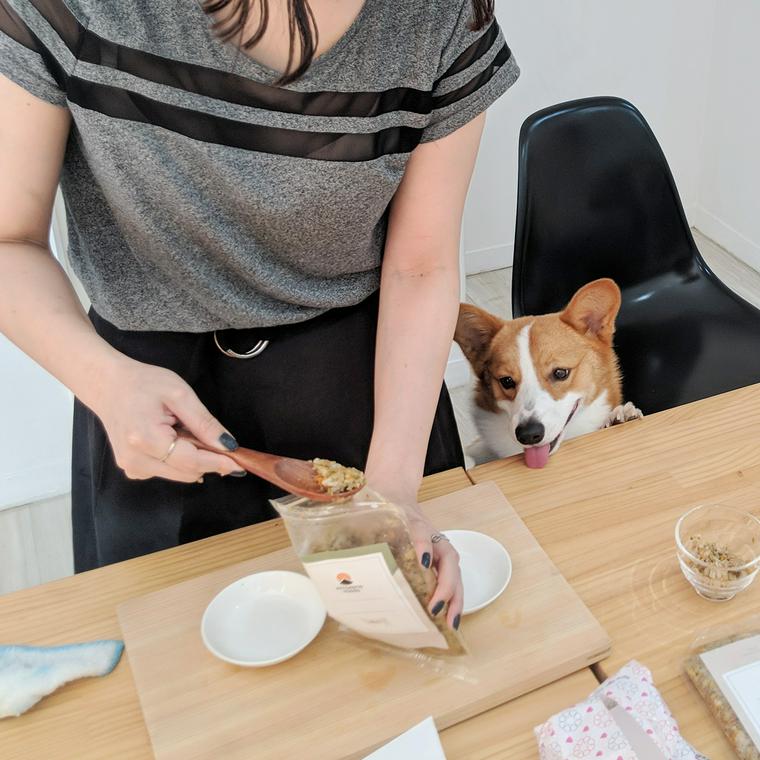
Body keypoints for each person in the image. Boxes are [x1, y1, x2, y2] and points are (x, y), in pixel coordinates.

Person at [0, 0, 519, 629]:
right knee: (178, 673)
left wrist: (391, 490)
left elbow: (420, 265)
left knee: (407, 659)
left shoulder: (439, 18)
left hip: (370, 386)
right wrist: (107, 382)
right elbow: (10, 241)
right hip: (149, 398)